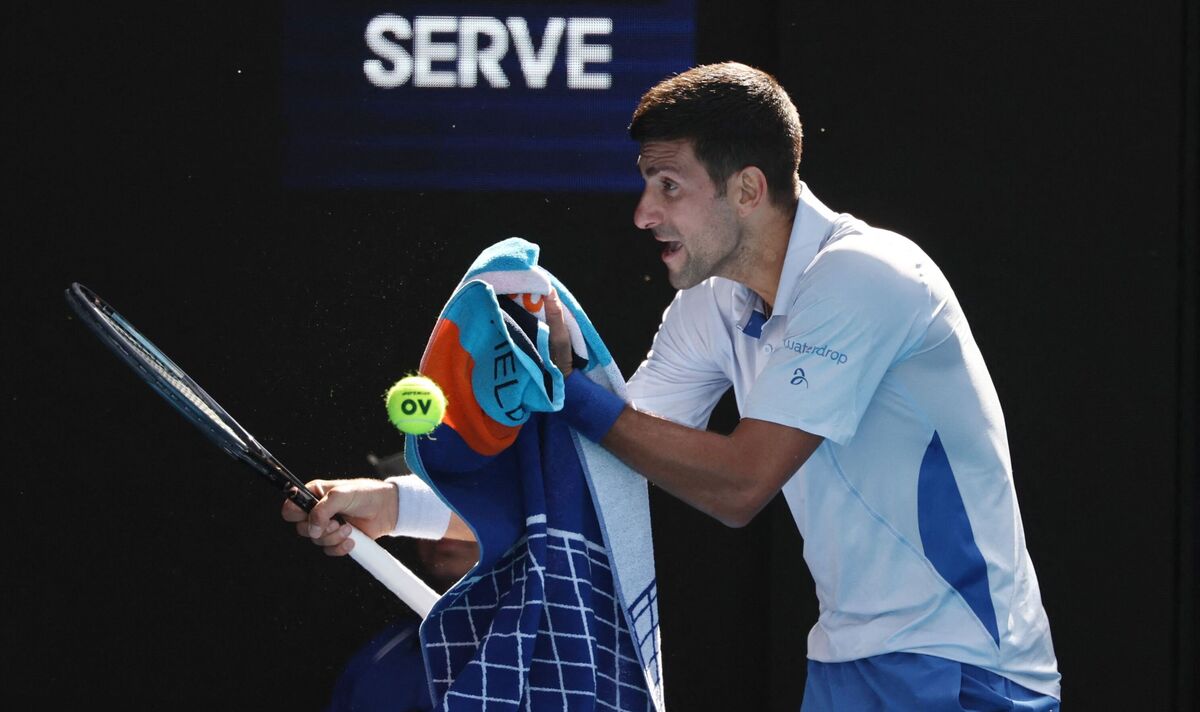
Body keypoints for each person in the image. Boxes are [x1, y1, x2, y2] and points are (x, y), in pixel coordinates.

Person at [286, 62, 1061, 711]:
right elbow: (605, 475)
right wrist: (393, 508)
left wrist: (571, 391)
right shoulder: (712, 304)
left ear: (748, 189)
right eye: (644, 184)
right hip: (843, 663)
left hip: (968, 670)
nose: (642, 213)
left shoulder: (867, 278)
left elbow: (739, 484)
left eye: (668, 186)